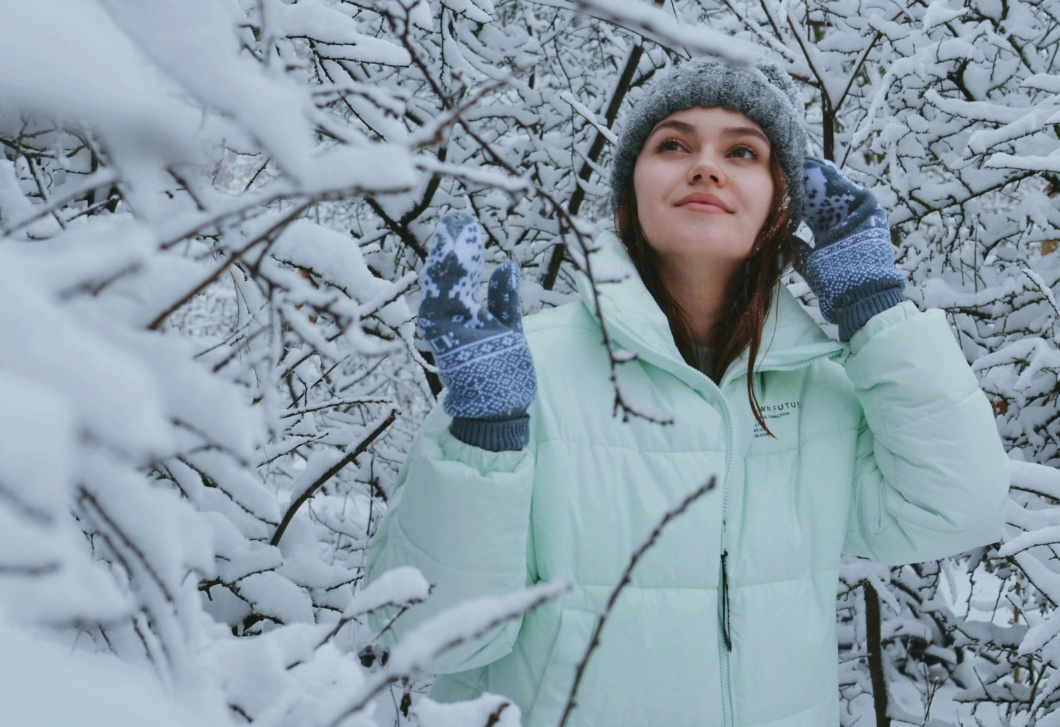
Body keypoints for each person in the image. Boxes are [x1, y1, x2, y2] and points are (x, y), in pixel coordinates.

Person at [364, 55, 1010, 727]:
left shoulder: (822, 386)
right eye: (673, 144)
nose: (706, 166)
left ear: (778, 206)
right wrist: (482, 440)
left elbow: (956, 507)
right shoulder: (518, 377)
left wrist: (875, 307)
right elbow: (429, 632)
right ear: (626, 199)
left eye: (743, 151)